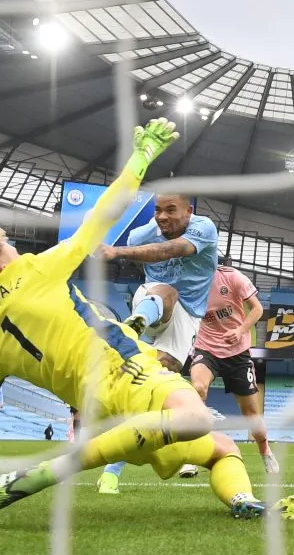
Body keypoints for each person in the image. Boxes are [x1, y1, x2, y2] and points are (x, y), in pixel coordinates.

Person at [0, 118, 294, 521]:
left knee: (221, 448)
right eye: (12, 251)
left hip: (102, 421)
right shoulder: (34, 271)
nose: (20, 253)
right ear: (3, 268)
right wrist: (141, 157)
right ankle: (50, 471)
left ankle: (242, 500)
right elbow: (102, 214)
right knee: (196, 417)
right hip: (127, 373)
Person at [95, 191, 219, 487]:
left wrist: (118, 252)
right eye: (158, 210)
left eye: (171, 210)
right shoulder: (141, 235)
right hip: (152, 301)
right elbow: (150, 256)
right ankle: (133, 327)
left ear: (188, 211)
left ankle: (111, 472)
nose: (162, 217)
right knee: (167, 291)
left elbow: (172, 250)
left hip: (188, 315)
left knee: (159, 382)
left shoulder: (204, 228)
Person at [188, 264, 278, 475]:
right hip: (206, 348)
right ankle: (191, 453)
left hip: (237, 353)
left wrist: (240, 330)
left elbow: (257, 309)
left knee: (251, 414)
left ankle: (265, 450)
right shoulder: (188, 280)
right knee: (197, 389)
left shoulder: (232, 277)